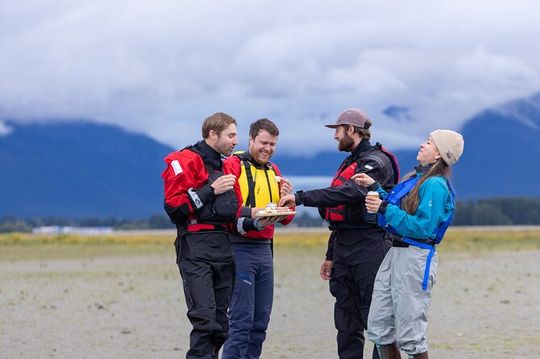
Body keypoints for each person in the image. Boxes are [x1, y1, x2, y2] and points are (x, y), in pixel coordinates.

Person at [279, 108, 399, 359]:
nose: (335, 137)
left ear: (352, 130)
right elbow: (341, 217)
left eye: (338, 130)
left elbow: (349, 193)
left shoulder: (376, 162)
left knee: (376, 319)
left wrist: (300, 198)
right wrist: (331, 254)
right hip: (344, 247)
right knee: (345, 321)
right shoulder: (350, 161)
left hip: (371, 246)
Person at [162, 112, 265, 359]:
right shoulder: (185, 161)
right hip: (195, 247)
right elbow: (174, 209)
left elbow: (231, 213)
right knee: (205, 322)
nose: (235, 141)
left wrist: (258, 216)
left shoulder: (228, 165)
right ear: (212, 134)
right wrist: (210, 190)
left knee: (220, 327)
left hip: (223, 247)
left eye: (235, 136)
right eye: (231, 135)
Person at [353, 130, 464, 359]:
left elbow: (423, 228)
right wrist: (376, 189)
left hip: (416, 258)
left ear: (438, 155)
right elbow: (402, 207)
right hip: (395, 254)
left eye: (429, 142)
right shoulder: (417, 178)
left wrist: (383, 209)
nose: (422, 144)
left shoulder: (435, 185)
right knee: (379, 327)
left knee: (411, 334)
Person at [222, 118, 295, 359]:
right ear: (251, 139)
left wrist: (288, 201)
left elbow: (284, 219)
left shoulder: (274, 171)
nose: (268, 148)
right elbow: (226, 208)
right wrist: (253, 214)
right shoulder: (233, 165)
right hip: (239, 248)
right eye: (263, 142)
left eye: (273, 144)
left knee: (260, 323)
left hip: (265, 249)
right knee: (240, 324)